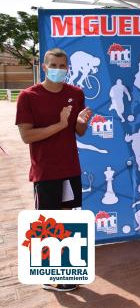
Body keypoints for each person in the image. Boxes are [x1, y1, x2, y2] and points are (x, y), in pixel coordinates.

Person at [15, 48, 93, 293]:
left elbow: (78, 131)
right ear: (44, 67)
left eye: (63, 65)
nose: (59, 70)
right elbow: (27, 136)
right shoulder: (28, 96)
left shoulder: (76, 93)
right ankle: (51, 277)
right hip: (45, 170)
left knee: (66, 218)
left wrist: (81, 123)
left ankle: (65, 273)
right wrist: (60, 124)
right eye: (54, 65)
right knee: (48, 222)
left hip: (69, 167)